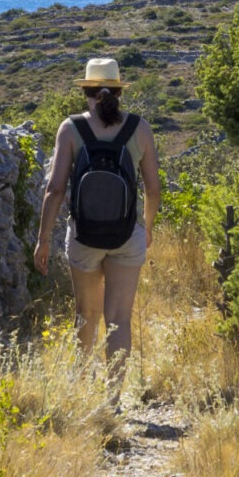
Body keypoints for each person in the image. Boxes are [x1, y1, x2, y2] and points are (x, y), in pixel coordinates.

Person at [33, 57, 160, 384]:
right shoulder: (140, 128)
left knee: (86, 315)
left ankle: (81, 386)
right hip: (126, 236)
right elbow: (153, 189)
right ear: (119, 92)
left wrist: (43, 239)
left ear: (86, 92)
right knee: (118, 319)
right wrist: (145, 228)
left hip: (84, 237)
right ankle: (114, 399)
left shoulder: (71, 128)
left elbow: (55, 188)